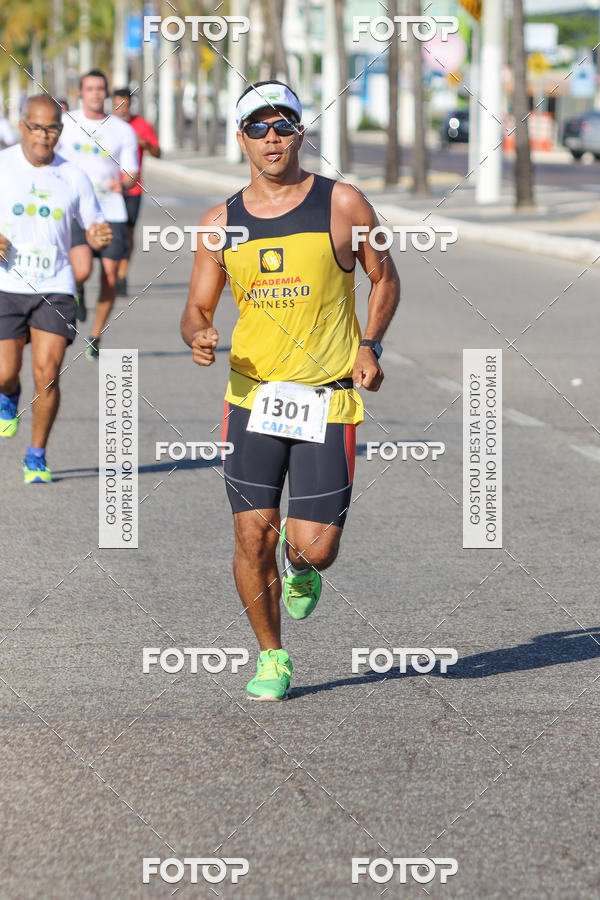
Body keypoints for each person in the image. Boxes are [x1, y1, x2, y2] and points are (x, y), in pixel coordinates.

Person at [181, 81, 400, 700]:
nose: (271, 138)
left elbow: (385, 281)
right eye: (258, 128)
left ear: (300, 133)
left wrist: (370, 344)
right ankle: (272, 656)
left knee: (315, 547)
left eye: (283, 126)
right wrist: (198, 332)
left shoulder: (345, 204)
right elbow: (196, 308)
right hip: (252, 398)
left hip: (327, 397)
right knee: (252, 534)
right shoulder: (220, 224)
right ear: (242, 138)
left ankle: (302, 568)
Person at [0, 95, 111, 482]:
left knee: (47, 374)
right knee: (3, 371)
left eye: (52, 129)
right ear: (22, 126)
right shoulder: (2, 166)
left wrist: (98, 235)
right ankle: (7, 394)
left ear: (60, 132)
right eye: (36, 128)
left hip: (56, 285)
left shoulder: (73, 176)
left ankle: (36, 456)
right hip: (6, 282)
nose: (43, 137)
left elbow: (94, 225)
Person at [57, 70, 138, 358]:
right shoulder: (65, 124)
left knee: (111, 278)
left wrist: (124, 181)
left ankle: (95, 336)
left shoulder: (122, 130)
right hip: (76, 210)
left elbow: (131, 172)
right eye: (89, 88)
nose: (95, 93)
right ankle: (77, 291)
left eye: (100, 89)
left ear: (106, 93)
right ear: (81, 92)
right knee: (81, 269)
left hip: (110, 210)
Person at [112, 88, 160, 296]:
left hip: (133, 189)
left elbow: (158, 152)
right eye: (117, 104)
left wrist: (145, 143)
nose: (121, 109)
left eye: (125, 104)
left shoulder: (141, 125)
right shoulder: (105, 125)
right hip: (109, 190)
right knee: (111, 234)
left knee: (128, 233)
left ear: (130, 105)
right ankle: (109, 274)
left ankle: (121, 274)